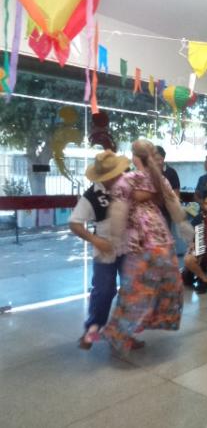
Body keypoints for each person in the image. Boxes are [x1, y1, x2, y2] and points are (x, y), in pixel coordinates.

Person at [102, 139, 185, 355]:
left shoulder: (127, 181)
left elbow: (118, 216)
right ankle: (127, 333)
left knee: (134, 293)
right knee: (161, 288)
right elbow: (176, 208)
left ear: (133, 157)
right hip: (162, 241)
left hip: (141, 244)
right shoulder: (160, 180)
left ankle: (120, 335)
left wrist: (114, 241)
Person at [69, 150, 130, 349]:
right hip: (105, 249)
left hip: (129, 246)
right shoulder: (91, 197)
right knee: (104, 290)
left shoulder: (125, 187)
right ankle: (92, 329)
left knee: (132, 291)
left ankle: (124, 333)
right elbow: (75, 224)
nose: (120, 176)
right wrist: (95, 240)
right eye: (116, 174)